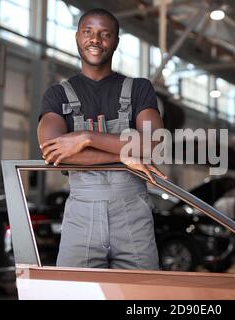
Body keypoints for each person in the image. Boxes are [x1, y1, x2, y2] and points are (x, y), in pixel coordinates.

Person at [37, 8, 167, 270]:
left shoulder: (139, 88)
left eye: (105, 34)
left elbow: (153, 144)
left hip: (133, 217)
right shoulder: (57, 95)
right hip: (80, 218)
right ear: (77, 37)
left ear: (116, 42)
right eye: (88, 32)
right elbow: (54, 154)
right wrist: (125, 154)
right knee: (75, 294)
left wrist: (85, 137)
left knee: (141, 296)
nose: (95, 40)